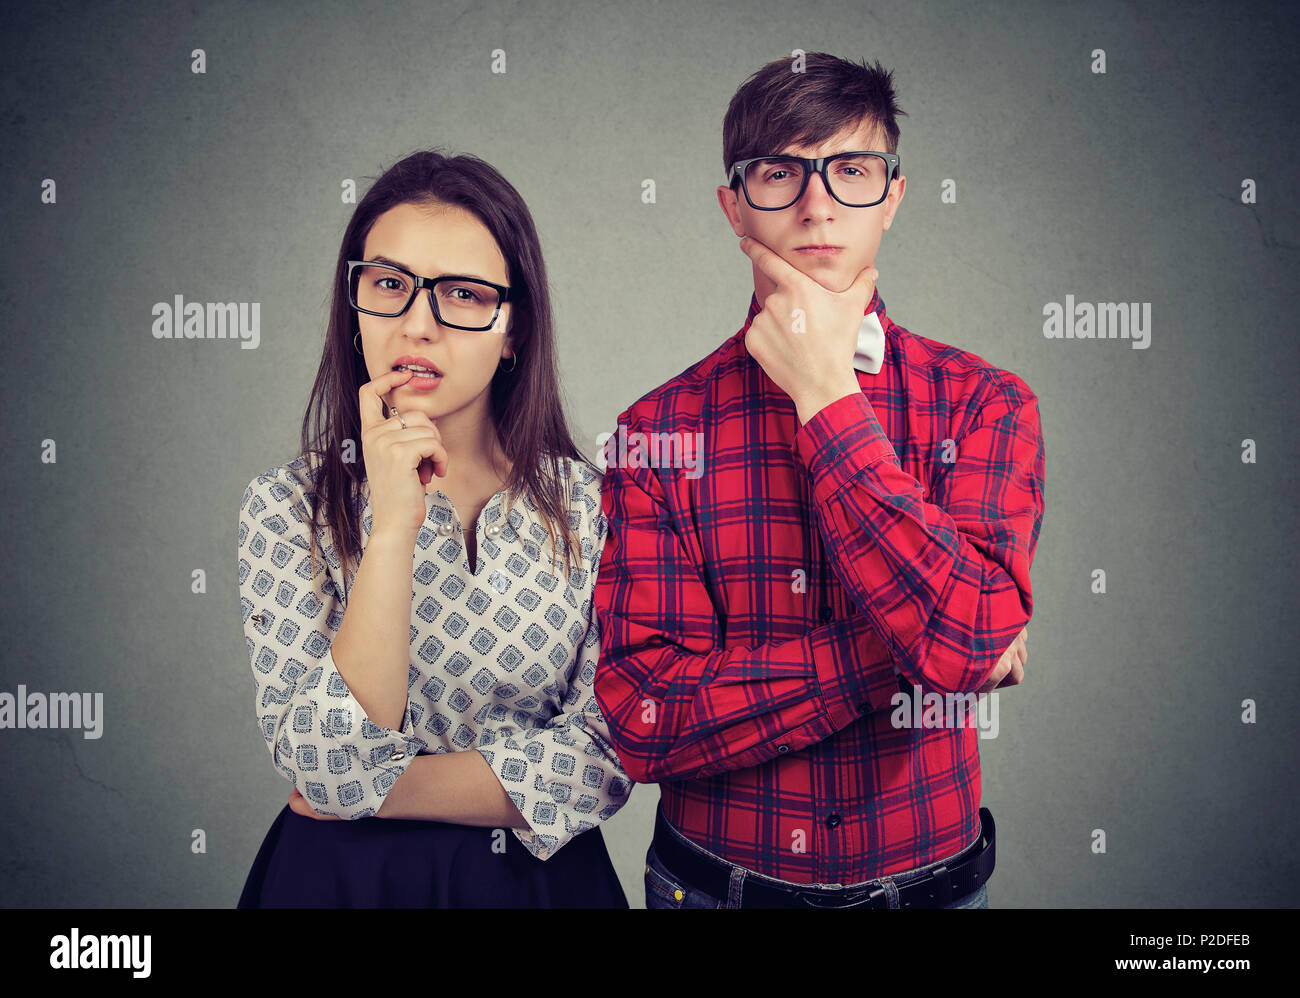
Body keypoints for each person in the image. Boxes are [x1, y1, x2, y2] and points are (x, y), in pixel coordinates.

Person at [591, 54, 1045, 909]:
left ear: (894, 198)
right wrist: (907, 657)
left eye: (852, 170)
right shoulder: (652, 434)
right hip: (716, 893)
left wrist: (826, 397)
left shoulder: (988, 404)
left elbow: (974, 641)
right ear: (733, 206)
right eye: (779, 173)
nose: (818, 203)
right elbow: (644, 718)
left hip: (936, 893)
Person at [235, 150, 631, 908]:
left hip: (541, 887)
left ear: (513, 330)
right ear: (355, 307)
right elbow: (330, 754)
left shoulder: (597, 510)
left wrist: (366, 786)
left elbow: (601, 762)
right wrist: (390, 533)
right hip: (340, 884)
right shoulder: (285, 507)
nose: (418, 324)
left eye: (463, 294)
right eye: (389, 285)